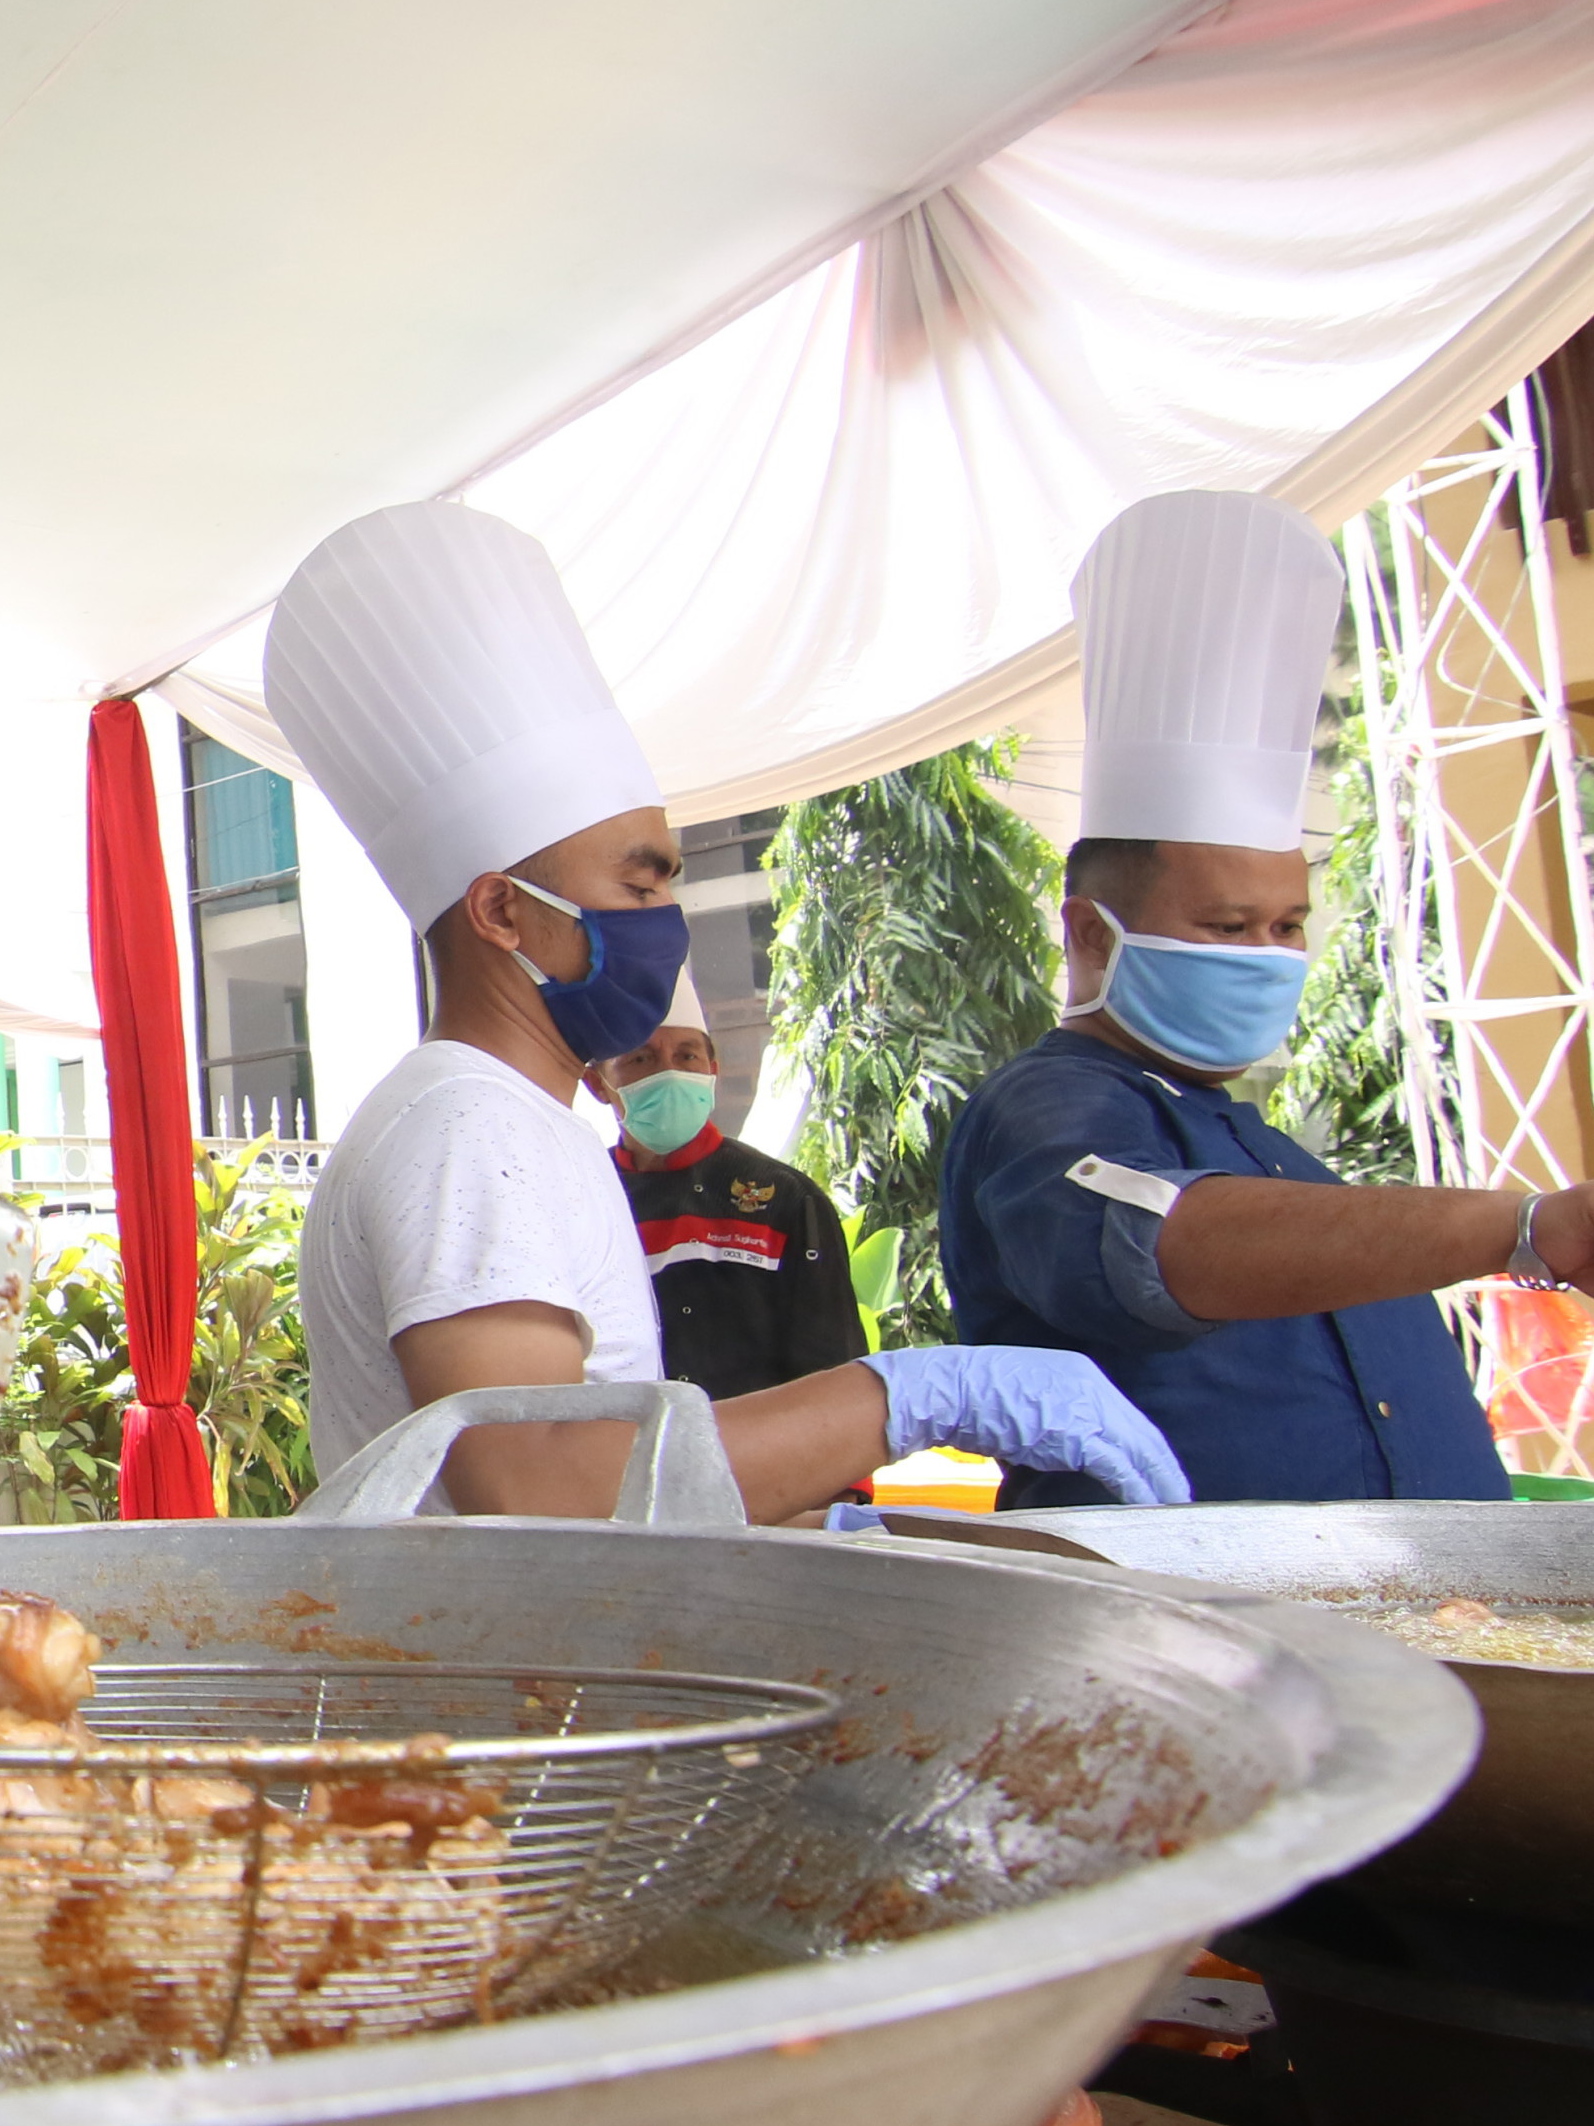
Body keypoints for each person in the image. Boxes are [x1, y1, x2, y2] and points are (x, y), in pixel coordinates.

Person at [263, 502, 1187, 1521]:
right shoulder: (467, 1129)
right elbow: (539, 1490)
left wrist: (815, 1524)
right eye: (641, 884)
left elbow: (607, 1486)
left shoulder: (518, 1123)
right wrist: (911, 1397)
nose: (669, 923)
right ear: (502, 912)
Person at [938, 489, 1594, 1506]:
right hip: (1204, 1641)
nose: (1269, 957)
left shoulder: (1265, 1149)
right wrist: (1526, 1227)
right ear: (1091, 935)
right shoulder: (1051, 1110)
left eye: (1288, 925)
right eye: (1228, 928)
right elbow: (1161, 1244)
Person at [587, 966, 867, 1398]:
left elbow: (835, 1384)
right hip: (618, 1458)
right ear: (597, 1084)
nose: (670, 1073)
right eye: (641, 1058)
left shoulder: (786, 1200)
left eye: (687, 1056)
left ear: (712, 1069)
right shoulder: (579, 1198)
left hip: (761, 1460)